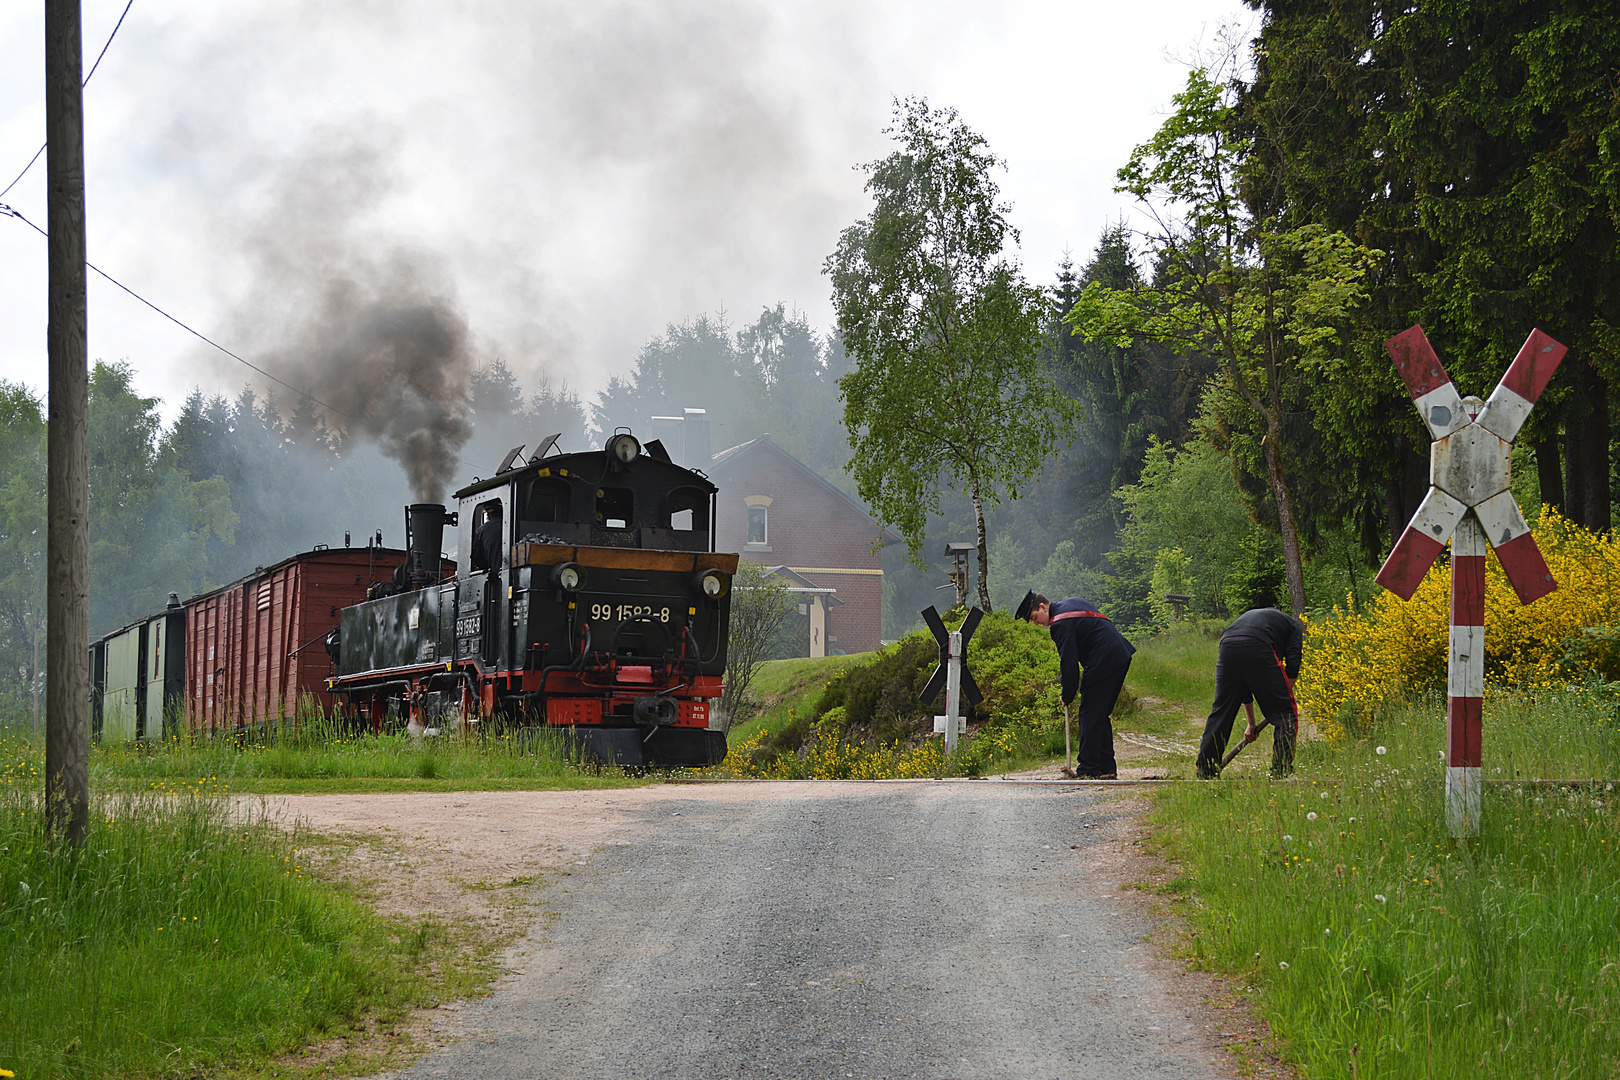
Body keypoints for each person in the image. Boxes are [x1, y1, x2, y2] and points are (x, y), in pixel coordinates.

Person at [1015, 590, 1135, 779]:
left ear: (1042, 607)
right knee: (1100, 715)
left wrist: (1067, 694)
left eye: (1034, 617)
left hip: (1103, 660)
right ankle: (1106, 769)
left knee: (1089, 714)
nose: (1036, 623)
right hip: (1120, 655)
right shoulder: (1071, 602)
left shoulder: (1060, 623)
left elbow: (1069, 664)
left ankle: (1088, 769)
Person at [1196, 606, 1304, 779]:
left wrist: (1251, 723)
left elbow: (1242, 687)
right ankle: (1281, 771)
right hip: (1258, 642)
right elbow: (1293, 664)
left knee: (1221, 712)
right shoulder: (1294, 627)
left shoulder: (1262, 620)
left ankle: (1205, 769)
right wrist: (1281, 699)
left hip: (1227, 643)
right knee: (1286, 714)